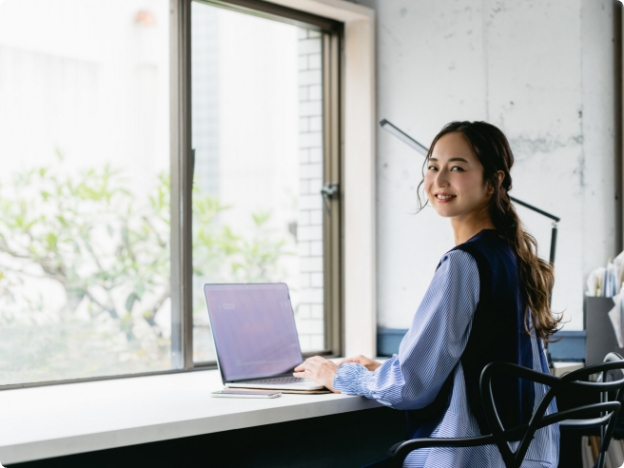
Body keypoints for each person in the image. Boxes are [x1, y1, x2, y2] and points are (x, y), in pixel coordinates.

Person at [293, 121, 561, 467]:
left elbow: (410, 387)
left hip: (466, 458)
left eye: (458, 168)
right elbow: (470, 363)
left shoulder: (464, 264)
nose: (440, 180)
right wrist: (383, 369)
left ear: (493, 182)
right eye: (433, 166)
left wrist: (337, 374)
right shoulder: (514, 258)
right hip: (518, 458)